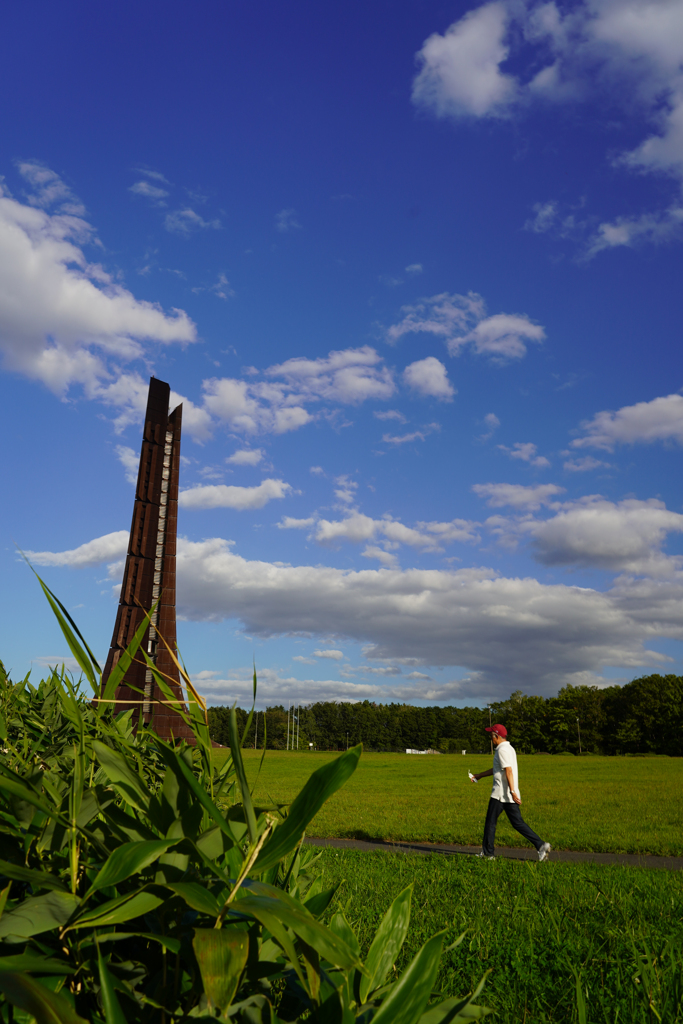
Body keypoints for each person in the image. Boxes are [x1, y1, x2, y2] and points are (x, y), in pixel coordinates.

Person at [470, 723, 551, 861]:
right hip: (507, 794)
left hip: (500, 794)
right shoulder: (508, 748)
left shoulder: (502, 750)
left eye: (492, 736)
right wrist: (480, 775)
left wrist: (512, 791)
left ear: (497, 736)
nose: (491, 739)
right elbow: (498, 769)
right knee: (517, 823)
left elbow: (508, 770)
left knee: (490, 823)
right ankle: (541, 845)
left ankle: (488, 854)